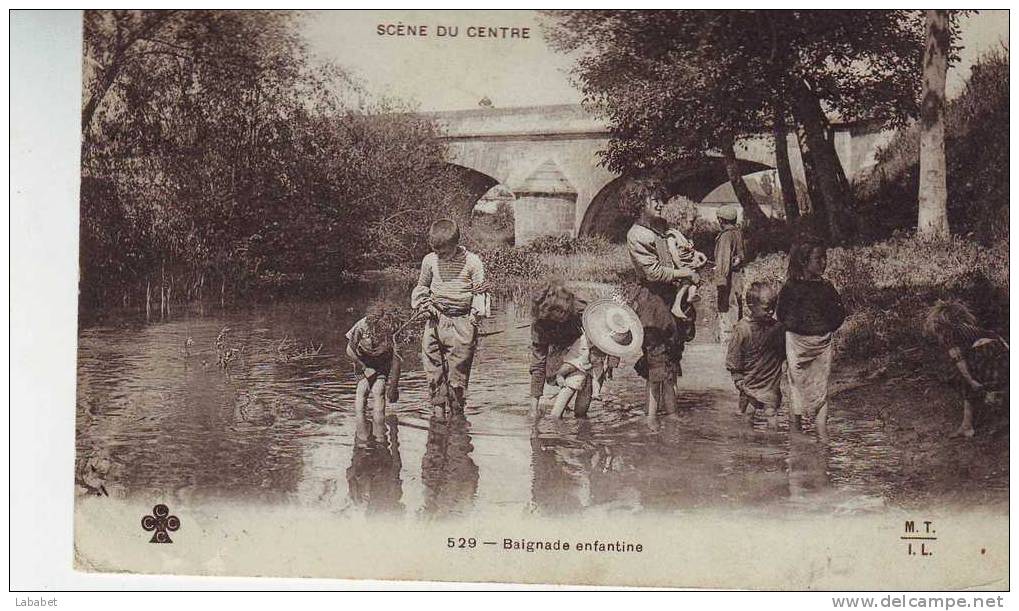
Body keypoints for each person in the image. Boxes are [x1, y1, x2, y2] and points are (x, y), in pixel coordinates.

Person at [624, 180, 699, 423]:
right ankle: (652, 421)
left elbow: (677, 253)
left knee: (671, 357)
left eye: (660, 198)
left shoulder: (660, 227)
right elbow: (653, 273)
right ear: (638, 204)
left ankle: (671, 416)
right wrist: (685, 274)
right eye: (653, 199)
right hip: (653, 304)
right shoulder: (636, 234)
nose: (660, 204)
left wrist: (691, 256)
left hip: (670, 300)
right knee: (656, 362)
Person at [411, 218, 490, 419]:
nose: (440, 255)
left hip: (462, 321)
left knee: (458, 372)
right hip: (435, 319)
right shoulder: (430, 261)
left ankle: (457, 414)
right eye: (436, 251)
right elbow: (422, 287)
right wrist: (424, 305)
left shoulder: (473, 262)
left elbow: (480, 292)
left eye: (444, 251)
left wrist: (475, 316)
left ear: (456, 244)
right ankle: (437, 415)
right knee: (433, 367)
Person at [776, 239, 846, 439]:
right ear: (804, 262)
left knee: (813, 384)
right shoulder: (793, 286)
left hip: (816, 341)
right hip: (801, 341)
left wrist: (823, 328)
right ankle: (807, 434)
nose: (823, 262)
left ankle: (810, 431)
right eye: (818, 259)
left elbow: (839, 314)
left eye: (825, 258)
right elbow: (781, 314)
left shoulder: (825, 287)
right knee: (801, 383)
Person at [528, 284, 621, 419]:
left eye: (563, 312)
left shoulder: (581, 309)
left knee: (583, 400)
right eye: (556, 315)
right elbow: (538, 364)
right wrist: (533, 408)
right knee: (568, 380)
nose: (561, 316)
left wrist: (611, 361)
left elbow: (611, 334)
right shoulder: (539, 326)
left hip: (585, 348)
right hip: (561, 350)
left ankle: (577, 416)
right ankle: (558, 411)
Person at [923, 299, 1009, 438]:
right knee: (965, 379)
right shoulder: (964, 327)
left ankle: (979, 422)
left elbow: (959, 361)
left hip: (992, 358)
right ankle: (967, 424)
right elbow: (997, 339)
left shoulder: (948, 334)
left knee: (964, 378)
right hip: (1001, 356)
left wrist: (971, 381)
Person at [726, 281, 786, 419]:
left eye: (773, 307)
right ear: (752, 306)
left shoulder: (777, 328)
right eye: (766, 308)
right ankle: (750, 440)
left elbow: (783, 353)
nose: (771, 311)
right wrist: (738, 379)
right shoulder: (742, 329)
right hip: (749, 384)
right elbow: (734, 356)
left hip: (770, 384)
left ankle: (770, 440)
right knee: (748, 414)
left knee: (770, 415)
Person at [345, 300, 400, 439]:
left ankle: (380, 432)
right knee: (362, 389)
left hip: (382, 360)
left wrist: (393, 387)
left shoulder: (393, 328)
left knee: (379, 390)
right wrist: (363, 367)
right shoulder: (361, 326)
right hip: (362, 359)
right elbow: (349, 350)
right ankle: (361, 427)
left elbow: (396, 360)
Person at [714, 204, 747, 348]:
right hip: (737, 277)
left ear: (721, 220)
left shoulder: (726, 236)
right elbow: (741, 255)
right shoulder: (737, 233)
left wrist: (721, 279)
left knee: (726, 307)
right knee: (736, 306)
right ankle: (736, 340)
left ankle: (729, 342)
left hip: (728, 279)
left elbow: (723, 259)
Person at [666, 221, 709, 321]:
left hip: (688, 265)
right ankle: (676, 305)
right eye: (690, 222)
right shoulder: (671, 236)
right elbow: (674, 255)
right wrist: (684, 270)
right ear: (681, 220)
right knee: (689, 278)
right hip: (679, 268)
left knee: (694, 276)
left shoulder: (684, 235)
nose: (693, 225)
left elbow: (690, 250)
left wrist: (698, 254)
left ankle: (691, 295)